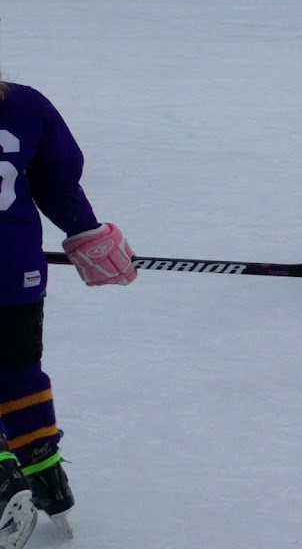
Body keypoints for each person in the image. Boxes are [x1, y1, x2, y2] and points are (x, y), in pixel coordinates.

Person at [0, 74, 137, 546]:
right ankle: (47, 480)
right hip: (12, 271)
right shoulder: (23, 103)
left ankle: (4, 487)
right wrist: (85, 233)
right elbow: (56, 182)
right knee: (18, 373)